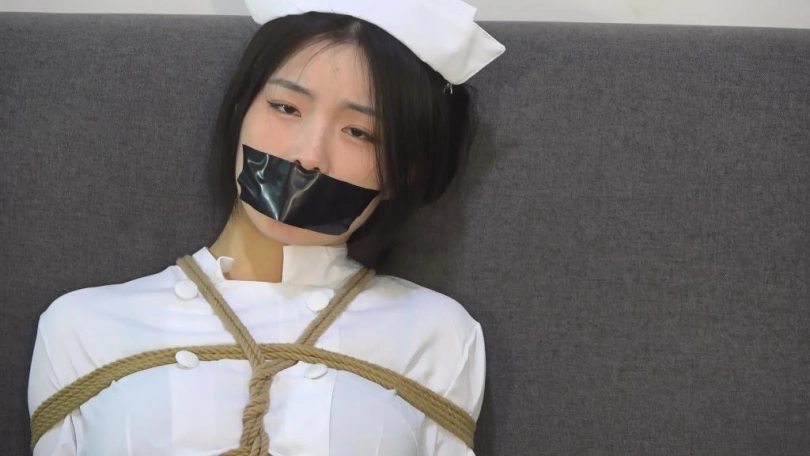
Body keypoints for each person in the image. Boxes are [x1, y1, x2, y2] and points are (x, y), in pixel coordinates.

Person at [27, 0, 505, 454]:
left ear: (404, 173)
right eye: (286, 108)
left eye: (359, 132)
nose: (309, 155)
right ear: (241, 110)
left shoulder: (437, 335)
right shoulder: (81, 327)